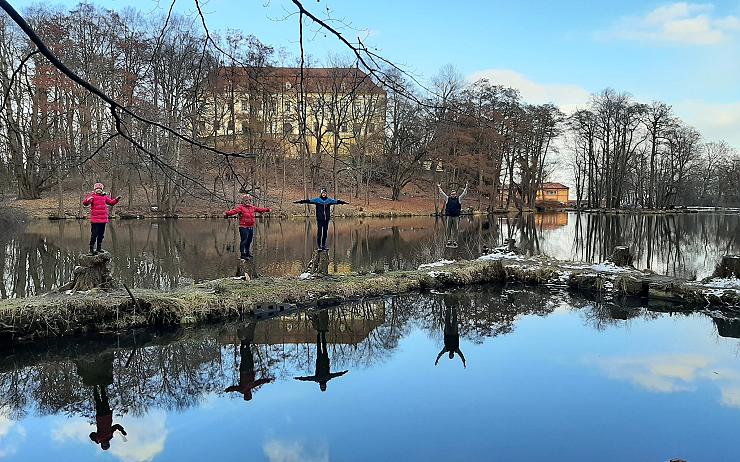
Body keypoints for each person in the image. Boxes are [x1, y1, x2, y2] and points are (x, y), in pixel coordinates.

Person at [294, 309, 348, 391]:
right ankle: (321, 333)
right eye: (323, 387)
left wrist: (300, 378)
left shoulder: (319, 379)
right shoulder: (325, 378)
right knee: (322, 345)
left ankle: (320, 333)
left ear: (321, 386)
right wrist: (342, 373)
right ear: (325, 386)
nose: (322, 386)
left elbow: (308, 379)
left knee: (321, 345)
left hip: (320, 360)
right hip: (324, 360)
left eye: (322, 387)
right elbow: (336, 375)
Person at [225, 321, 273, 401]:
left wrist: (228, 389)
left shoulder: (242, 389)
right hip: (250, 368)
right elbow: (259, 382)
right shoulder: (251, 387)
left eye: (249, 395)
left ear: (246, 395)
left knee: (245, 356)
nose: (249, 393)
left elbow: (234, 388)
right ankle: (245, 343)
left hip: (245, 370)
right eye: (250, 395)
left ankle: (244, 342)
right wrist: (267, 380)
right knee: (248, 355)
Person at [224, 194, 271, 259]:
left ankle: (247, 253)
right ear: (243, 201)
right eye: (246, 200)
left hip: (251, 227)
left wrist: (267, 209)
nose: (248, 201)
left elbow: (260, 209)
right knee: (244, 241)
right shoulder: (240, 207)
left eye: (249, 200)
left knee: (249, 241)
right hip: (243, 227)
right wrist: (226, 213)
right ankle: (242, 255)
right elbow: (233, 211)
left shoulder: (252, 207)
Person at [82, 182, 121, 255]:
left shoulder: (104, 197)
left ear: (102, 189)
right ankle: (91, 249)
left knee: (101, 235)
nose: (98, 190)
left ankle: (99, 248)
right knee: (94, 235)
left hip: (103, 220)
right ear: (95, 190)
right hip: (95, 220)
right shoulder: (92, 197)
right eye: (97, 189)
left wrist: (116, 199)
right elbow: (85, 203)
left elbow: (111, 202)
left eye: (100, 189)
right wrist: (87, 200)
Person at [435, 297, 466, 367]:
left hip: (448, 333)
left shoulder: (446, 349)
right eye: (452, 355)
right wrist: (464, 362)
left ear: (449, 354)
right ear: (453, 355)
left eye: (450, 355)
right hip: (454, 334)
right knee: (455, 322)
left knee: (447, 321)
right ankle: (454, 309)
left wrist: (437, 359)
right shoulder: (456, 350)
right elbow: (461, 355)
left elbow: (440, 354)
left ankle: (449, 309)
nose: (451, 354)